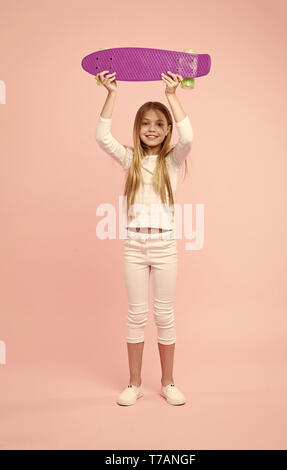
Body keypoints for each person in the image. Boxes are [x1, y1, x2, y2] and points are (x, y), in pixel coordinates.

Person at [95, 69, 194, 406]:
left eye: (159, 124)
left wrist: (172, 96)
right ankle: (134, 383)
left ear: (167, 131)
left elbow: (190, 136)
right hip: (134, 247)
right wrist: (111, 93)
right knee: (136, 315)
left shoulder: (172, 161)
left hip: (165, 246)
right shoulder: (130, 160)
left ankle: (167, 383)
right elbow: (101, 136)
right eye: (145, 123)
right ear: (137, 129)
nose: (151, 128)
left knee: (164, 315)